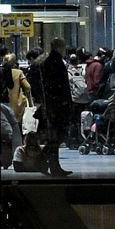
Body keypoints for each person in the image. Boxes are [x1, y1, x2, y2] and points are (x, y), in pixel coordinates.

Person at [38, 38, 74, 176]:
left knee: (54, 136)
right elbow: (61, 86)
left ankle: (50, 163)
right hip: (58, 105)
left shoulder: (48, 61)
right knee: (57, 135)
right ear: (60, 47)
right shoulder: (56, 62)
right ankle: (48, 162)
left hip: (53, 104)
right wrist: (65, 103)